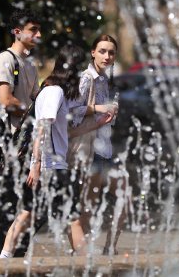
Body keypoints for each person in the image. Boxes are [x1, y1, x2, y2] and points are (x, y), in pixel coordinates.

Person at [0, 44, 113, 258]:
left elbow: (65, 133)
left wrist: (97, 124)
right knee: (68, 217)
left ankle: (4, 258)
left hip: (50, 165)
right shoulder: (54, 92)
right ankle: (85, 264)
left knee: (28, 214)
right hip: (51, 166)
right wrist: (36, 165)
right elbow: (42, 127)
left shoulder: (54, 91)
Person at [69, 34, 127, 256]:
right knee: (88, 209)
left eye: (111, 52)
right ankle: (80, 255)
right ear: (93, 52)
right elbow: (73, 111)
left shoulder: (104, 79)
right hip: (90, 151)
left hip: (105, 150)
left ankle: (109, 249)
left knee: (124, 198)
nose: (107, 56)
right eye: (102, 51)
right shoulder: (87, 78)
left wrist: (109, 114)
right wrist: (101, 109)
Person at [0, 8, 42, 258]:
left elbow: (35, 99)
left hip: (28, 143)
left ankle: (17, 256)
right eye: (33, 30)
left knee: (33, 204)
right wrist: (31, 109)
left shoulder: (30, 65)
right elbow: (5, 100)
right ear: (17, 31)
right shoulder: (5, 59)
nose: (38, 34)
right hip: (10, 144)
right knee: (10, 206)